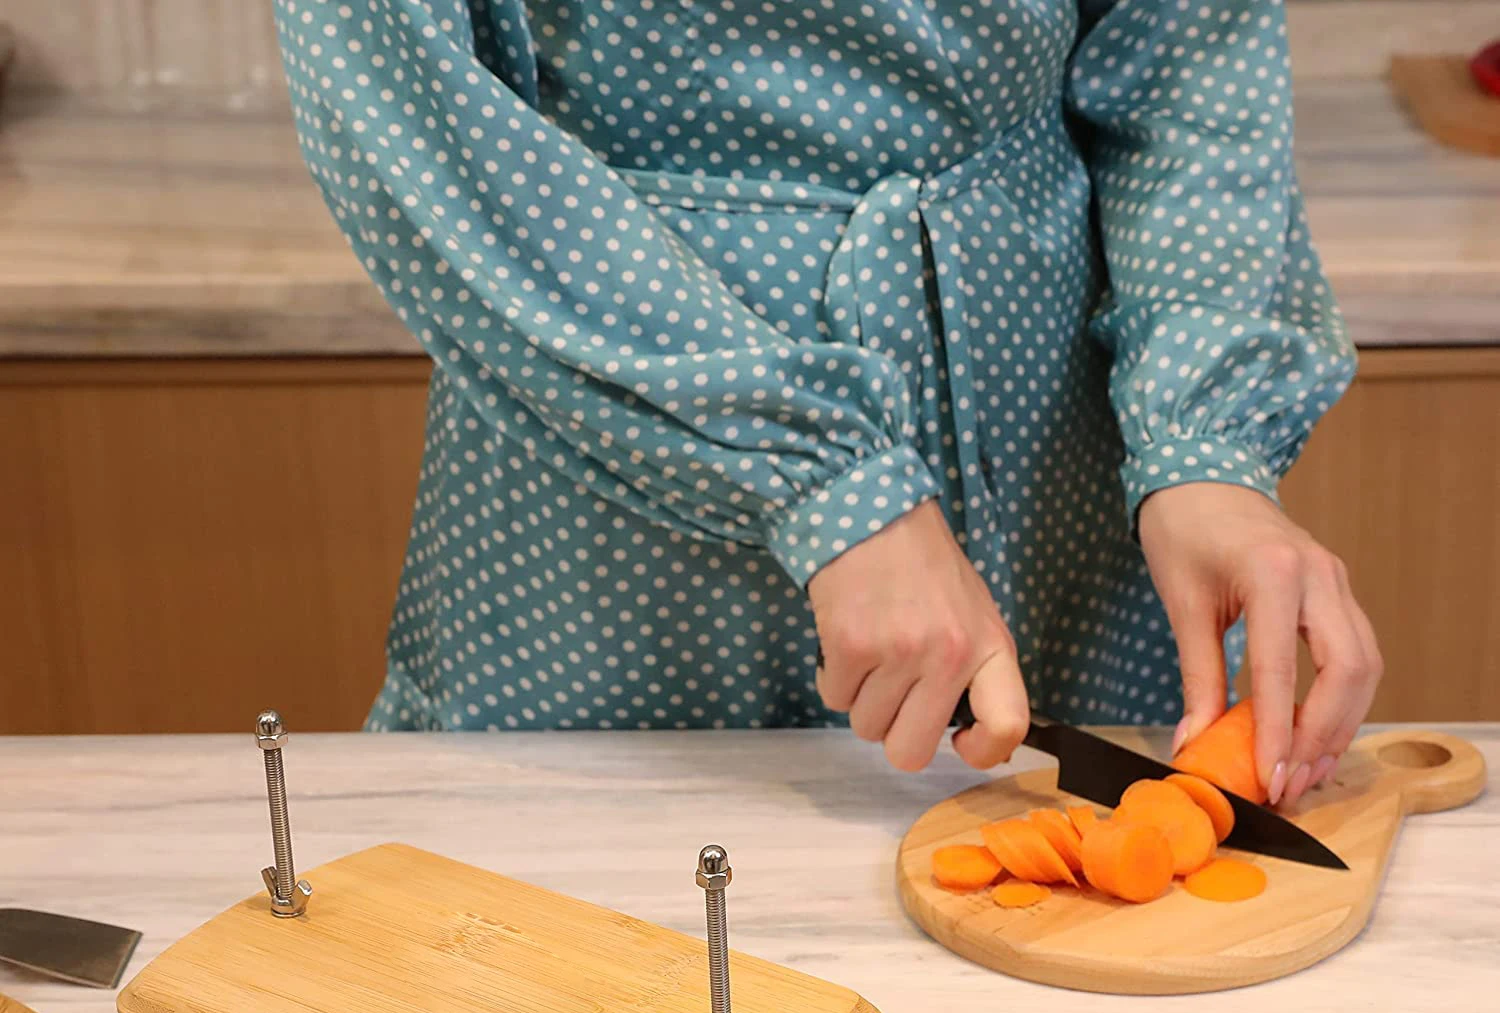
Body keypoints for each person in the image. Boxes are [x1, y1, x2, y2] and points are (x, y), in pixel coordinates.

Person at [275, 0, 1380, 809]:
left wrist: (1205, 446)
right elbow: (414, 129)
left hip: (1055, 492)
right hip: (616, 515)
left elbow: (1192, 57)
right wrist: (826, 483)